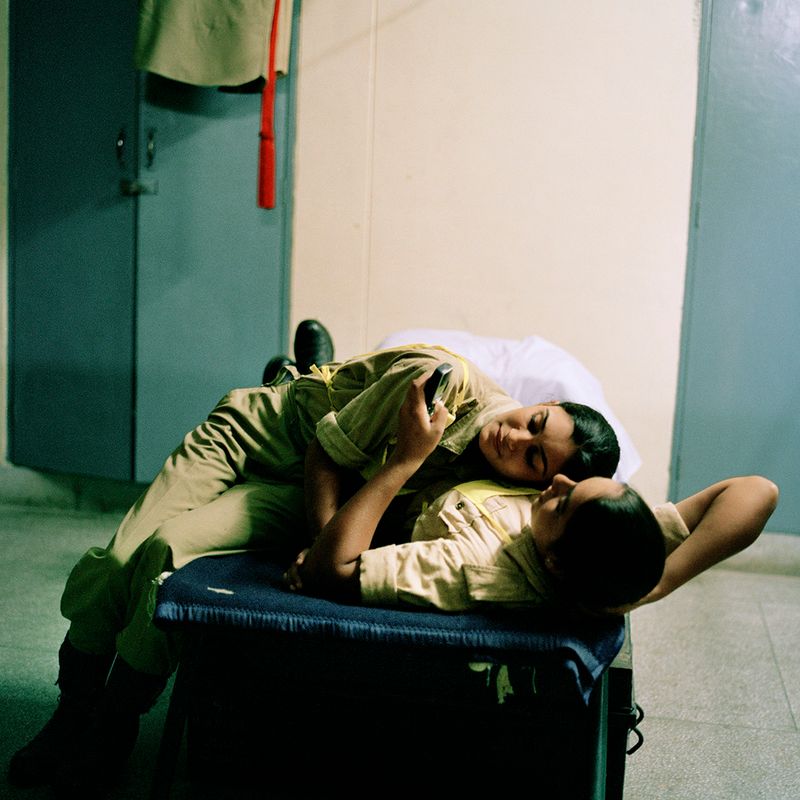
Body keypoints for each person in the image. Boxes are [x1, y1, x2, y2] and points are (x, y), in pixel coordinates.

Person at [8, 338, 621, 797]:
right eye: (534, 423)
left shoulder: (503, 489)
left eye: (535, 459)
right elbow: (327, 454)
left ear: (547, 482)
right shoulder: (440, 384)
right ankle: (71, 711)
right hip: (265, 437)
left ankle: (115, 724)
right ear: (540, 403)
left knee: (166, 552)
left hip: (305, 487)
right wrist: (326, 540)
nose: (516, 441)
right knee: (121, 557)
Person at [287, 370, 780, 616]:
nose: (557, 484)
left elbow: (332, 571)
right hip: (468, 480)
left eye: (564, 499)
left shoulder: (477, 566)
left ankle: (301, 377)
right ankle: (319, 373)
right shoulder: (615, 534)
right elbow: (757, 490)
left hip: (390, 489)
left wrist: (406, 460)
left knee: (350, 426)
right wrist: (660, 586)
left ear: (555, 564)